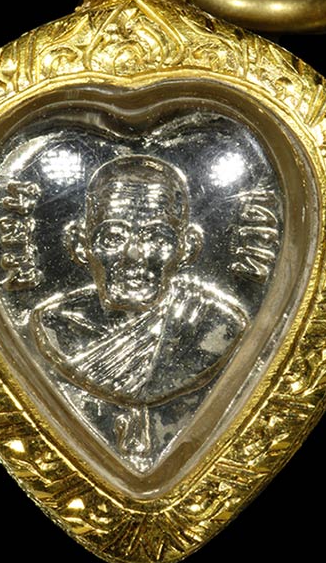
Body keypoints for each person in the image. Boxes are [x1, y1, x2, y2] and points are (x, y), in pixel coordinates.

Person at [31, 154, 247, 407]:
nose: (134, 255)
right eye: (114, 238)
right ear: (80, 244)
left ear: (187, 247)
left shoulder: (214, 324)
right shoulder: (55, 324)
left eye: (157, 238)